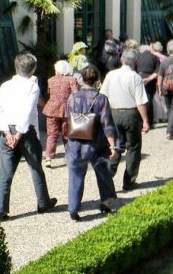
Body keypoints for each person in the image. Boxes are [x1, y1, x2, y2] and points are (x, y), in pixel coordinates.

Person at [0, 53, 57, 221]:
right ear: (33, 69)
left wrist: (7, 132)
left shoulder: (5, 85)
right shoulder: (32, 86)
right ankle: (43, 203)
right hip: (25, 132)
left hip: (7, 130)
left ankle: (0, 210)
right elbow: (27, 112)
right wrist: (18, 134)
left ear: (16, 67)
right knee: (35, 168)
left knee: (5, 172)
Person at [65, 65, 118, 221]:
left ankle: (73, 209)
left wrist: (66, 140)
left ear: (82, 78)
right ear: (97, 79)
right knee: (103, 173)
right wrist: (113, 145)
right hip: (96, 143)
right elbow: (107, 124)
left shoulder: (72, 97)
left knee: (75, 175)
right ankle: (105, 203)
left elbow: (67, 119)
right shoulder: (101, 99)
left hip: (75, 141)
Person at [99, 49, 150, 191]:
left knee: (115, 146)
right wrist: (145, 120)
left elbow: (103, 96)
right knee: (133, 147)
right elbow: (140, 102)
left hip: (113, 112)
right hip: (130, 114)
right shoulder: (135, 77)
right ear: (135, 62)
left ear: (121, 59)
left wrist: (102, 115)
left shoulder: (110, 75)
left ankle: (107, 178)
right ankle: (129, 181)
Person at [41, 60, 78, 168]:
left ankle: (48, 157)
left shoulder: (50, 80)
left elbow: (50, 93)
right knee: (67, 135)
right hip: (66, 110)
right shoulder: (71, 79)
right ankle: (70, 156)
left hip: (52, 109)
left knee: (52, 134)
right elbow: (75, 94)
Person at [136, 45, 160, 129]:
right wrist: (149, 79)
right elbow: (157, 71)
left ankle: (140, 122)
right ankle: (150, 122)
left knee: (139, 100)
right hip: (150, 81)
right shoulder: (155, 57)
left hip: (138, 78)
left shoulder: (137, 57)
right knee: (149, 100)